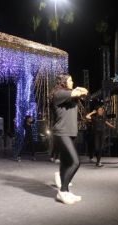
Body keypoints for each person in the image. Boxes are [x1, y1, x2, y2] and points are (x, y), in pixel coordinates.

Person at [50, 73, 88, 205]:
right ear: (63, 81)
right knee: (75, 162)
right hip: (61, 133)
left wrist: (79, 90)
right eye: (70, 80)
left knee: (66, 163)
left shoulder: (70, 96)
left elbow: (85, 92)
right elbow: (78, 92)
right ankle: (63, 190)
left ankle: (65, 191)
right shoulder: (59, 94)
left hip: (70, 132)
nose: (72, 82)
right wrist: (78, 90)